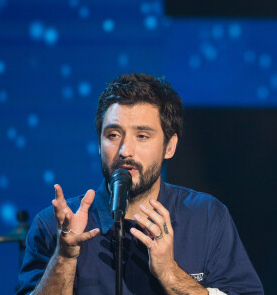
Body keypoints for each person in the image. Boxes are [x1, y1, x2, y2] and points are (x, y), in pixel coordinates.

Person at [17, 73, 263, 295]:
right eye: (113, 135)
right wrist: (65, 258)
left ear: (170, 146)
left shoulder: (207, 216)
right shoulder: (55, 225)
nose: (125, 150)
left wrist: (170, 275)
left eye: (142, 136)